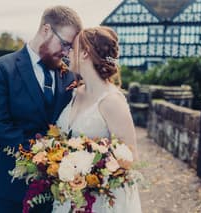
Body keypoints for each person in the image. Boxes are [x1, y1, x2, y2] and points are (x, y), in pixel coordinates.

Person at [0, 6, 82, 213]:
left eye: (70, 48)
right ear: (46, 29)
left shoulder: (70, 75)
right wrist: (42, 155)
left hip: (59, 192)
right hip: (13, 187)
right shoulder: (3, 68)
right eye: (65, 44)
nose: (66, 52)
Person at [54, 26, 142, 212]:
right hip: (68, 195)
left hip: (98, 200)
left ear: (85, 53)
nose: (67, 52)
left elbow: (131, 155)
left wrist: (90, 175)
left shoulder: (111, 101)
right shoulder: (74, 92)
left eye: (72, 48)